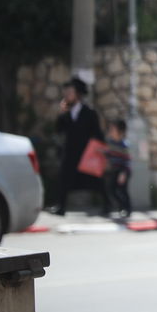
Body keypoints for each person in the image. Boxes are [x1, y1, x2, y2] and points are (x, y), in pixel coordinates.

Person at [49, 77, 105, 215]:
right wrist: (61, 114)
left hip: (86, 153)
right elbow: (58, 130)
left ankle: (107, 204)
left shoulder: (89, 113)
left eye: (70, 92)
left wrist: (99, 151)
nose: (67, 96)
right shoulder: (66, 113)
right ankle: (61, 207)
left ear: (78, 94)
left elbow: (98, 133)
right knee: (64, 179)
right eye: (66, 93)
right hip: (70, 153)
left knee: (96, 180)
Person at [103, 118, 132, 218]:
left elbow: (127, 162)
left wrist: (123, 174)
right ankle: (121, 207)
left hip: (123, 171)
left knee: (123, 191)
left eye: (113, 129)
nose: (111, 131)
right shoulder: (110, 143)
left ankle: (127, 209)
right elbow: (107, 154)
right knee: (111, 190)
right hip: (114, 170)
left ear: (120, 131)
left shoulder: (124, 145)